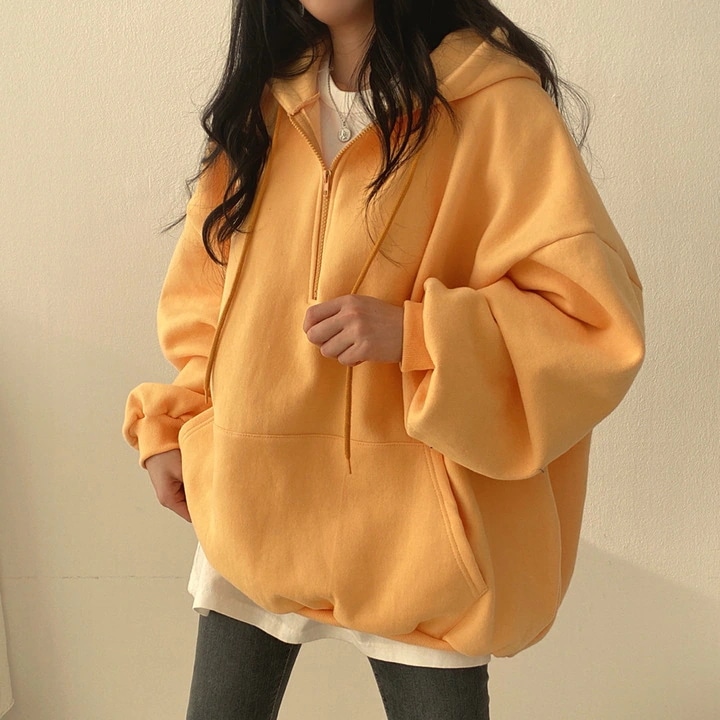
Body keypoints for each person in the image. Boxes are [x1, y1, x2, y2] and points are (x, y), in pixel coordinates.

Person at [122, 0, 645, 717]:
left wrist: (419, 334)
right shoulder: (263, 110)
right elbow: (205, 300)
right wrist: (173, 423)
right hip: (255, 505)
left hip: (419, 545)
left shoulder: (495, 107)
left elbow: (592, 325)